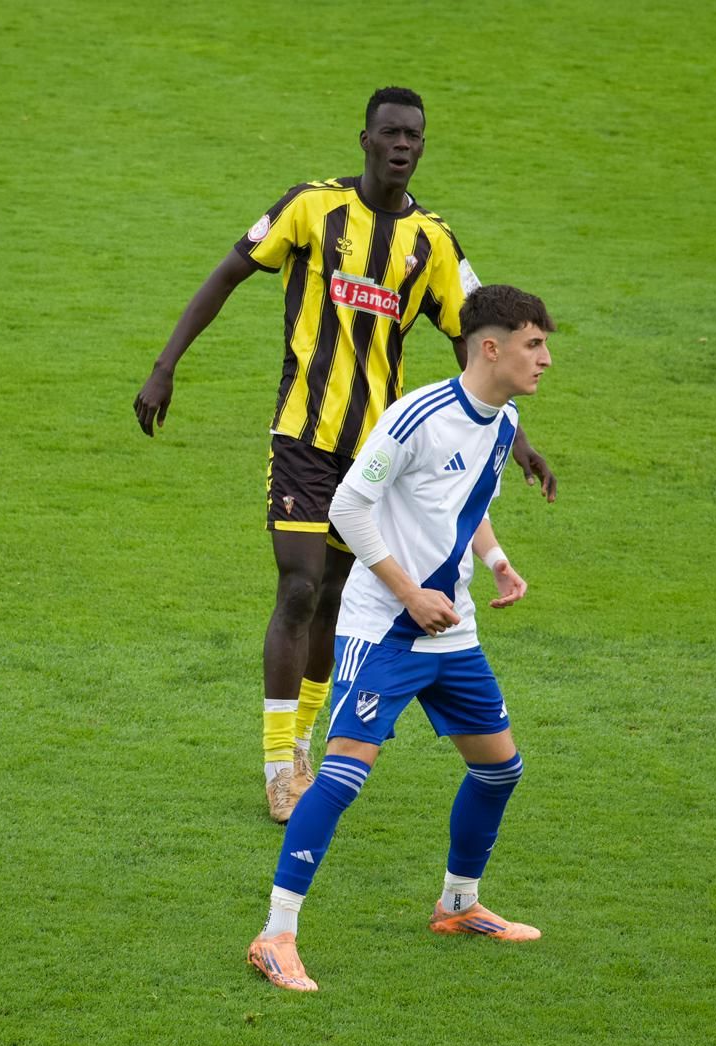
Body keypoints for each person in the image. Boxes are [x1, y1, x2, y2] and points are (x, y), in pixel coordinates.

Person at [134, 88, 556, 823]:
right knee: (297, 589)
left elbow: (481, 338)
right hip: (301, 436)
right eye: (390, 133)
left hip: (375, 453)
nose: (402, 145)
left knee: (331, 596)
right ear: (364, 138)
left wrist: (513, 434)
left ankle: (300, 745)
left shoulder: (432, 241)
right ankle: (276, 764)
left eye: (414, 136)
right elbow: (229, 273)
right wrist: (167, 364)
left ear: (421, 147)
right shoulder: (311, 208)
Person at [246, 284, 555, 992]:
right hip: (385, 626)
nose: (544, 360)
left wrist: (498, 563)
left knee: (499, 769)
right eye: (533, 344)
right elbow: (349, 504)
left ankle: (457, 905)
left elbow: (464, 505)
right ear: (491, 347)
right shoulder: (419, 416)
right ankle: (275, 935)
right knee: (345, 775)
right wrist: (409, 593)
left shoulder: (501, 423)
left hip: (450, 630)